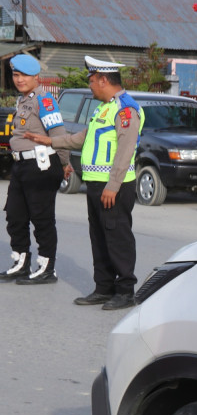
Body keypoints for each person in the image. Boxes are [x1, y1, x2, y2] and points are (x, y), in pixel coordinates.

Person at [25, 56, 144, 310]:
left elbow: (125, 151)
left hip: (114, 187)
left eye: (91, 81)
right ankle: (103, 288)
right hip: (96, 184)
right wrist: (49, 141)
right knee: (99, 237)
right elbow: (82, 138)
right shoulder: (104, 108)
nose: (90, 86)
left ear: (103, 80)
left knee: (117, 237)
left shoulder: (125, 109)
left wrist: (113, 185)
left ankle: (125, 292)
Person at [0, 54, 70, 284]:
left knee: (42, 218)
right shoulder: (23, 100)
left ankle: (47, 267)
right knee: (15, 215)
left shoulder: (45, 100)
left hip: (41, 165)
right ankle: (21, 262)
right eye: (16, 75)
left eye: (24, 75)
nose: (19, 79)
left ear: (36, 77)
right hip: (21, 165)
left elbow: (58, 134)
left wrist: (64, 163)